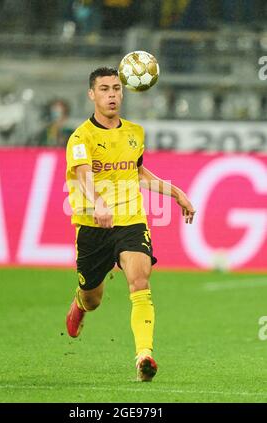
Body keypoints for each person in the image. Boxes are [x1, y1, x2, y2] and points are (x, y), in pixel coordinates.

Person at [65, 67, 195, 382]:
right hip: (92, 224)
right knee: (94, 298)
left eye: (116, 89)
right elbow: (83, 174)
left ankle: (144, 357)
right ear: (91, 94)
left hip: (131, 219)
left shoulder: (135, 132)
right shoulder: (81, 137)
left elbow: (137, 172)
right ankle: (81, 303)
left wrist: (174, 191)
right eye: (105, 89)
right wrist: (98, 204)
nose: (112, 95)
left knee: (140, 282)